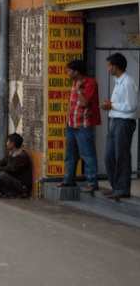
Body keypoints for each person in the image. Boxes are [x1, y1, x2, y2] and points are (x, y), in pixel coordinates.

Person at [59, 60, 100, 193]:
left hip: (83, 124)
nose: (67, 73)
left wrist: (78, 90)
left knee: (87, 155)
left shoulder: (90, 83)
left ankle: (92, 182)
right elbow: (72, 105)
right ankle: (68, 180)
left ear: (77, 71)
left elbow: (84, 103)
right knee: (70, 155)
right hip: (72, 124)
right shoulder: (75, 82)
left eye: (69, 71)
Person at [102, 53, 138, 200]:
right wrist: (109, 106)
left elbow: (131, 106)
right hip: (114, 120)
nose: (108, 69)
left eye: (109, 66)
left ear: (116, 66)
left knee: (121, 156)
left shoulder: (128, 82)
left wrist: (112, 105)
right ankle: (116, 187)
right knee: (109, 156)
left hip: (124, 122)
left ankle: (123, 189)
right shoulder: (118, 81)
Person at [0, 133, 32, 198]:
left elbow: (10, 169)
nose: (6, 143)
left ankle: (19, 193)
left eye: (8, 141)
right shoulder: (11, 154)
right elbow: (0, 163)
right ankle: (7, 193)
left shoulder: (22, 156)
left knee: (2, 174)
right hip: (13, 181)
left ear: (12, 144)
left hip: (22, 186)